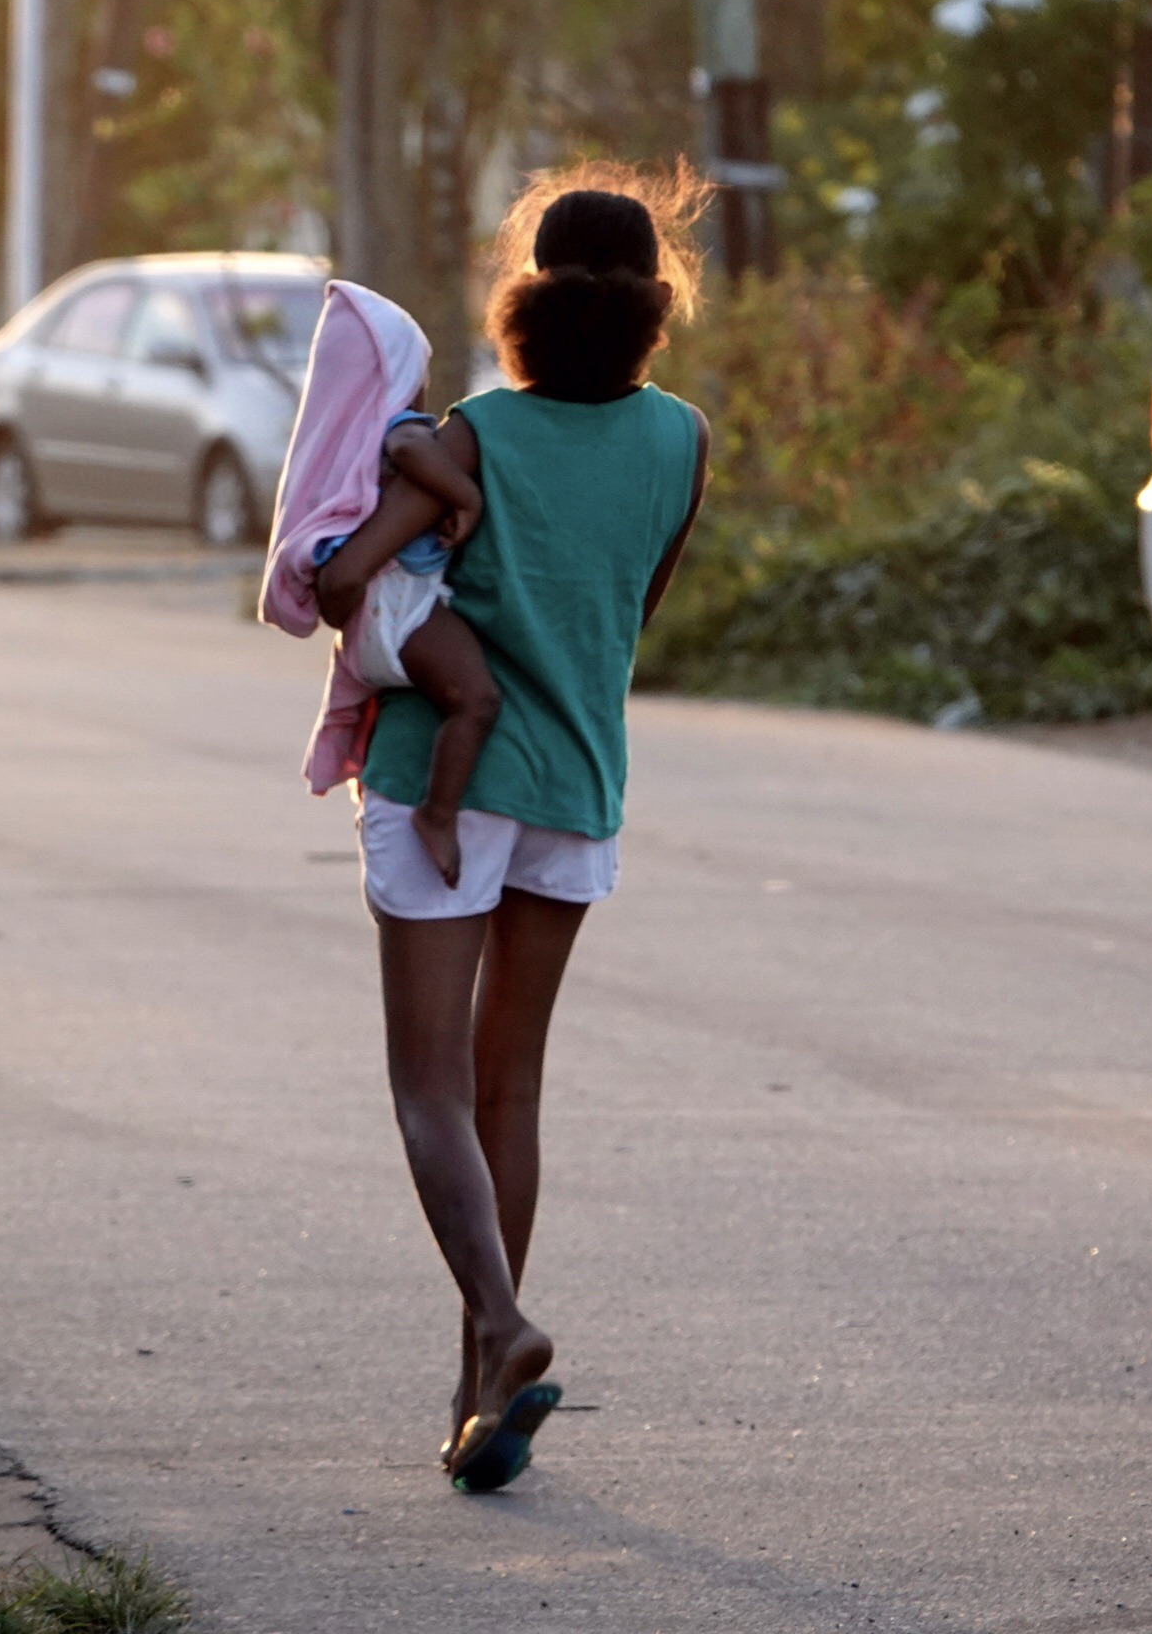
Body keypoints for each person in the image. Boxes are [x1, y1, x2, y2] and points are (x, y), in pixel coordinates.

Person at [315, 165, 714, 1494]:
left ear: (522, 296)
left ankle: (497, 1325)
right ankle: (478, 1397)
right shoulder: (682, 443)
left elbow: (341, 584)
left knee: (428, 1091)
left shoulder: (474, 433)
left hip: (443, 776)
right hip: (576, 787)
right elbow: (627, 614)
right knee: (509, 1090)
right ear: (660, 304)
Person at [259, 286, 502, 886]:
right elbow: (413, 449)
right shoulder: (402, 430)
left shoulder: (338, 449)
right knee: (477, 701)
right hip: (403, 606)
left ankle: (383, 792)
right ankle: (438, 814)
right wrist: (466, 495)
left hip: (371, 623)